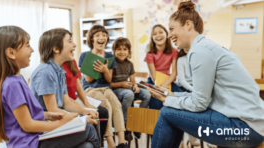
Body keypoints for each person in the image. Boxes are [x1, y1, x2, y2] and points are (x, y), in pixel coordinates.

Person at [148, 1, 264, 147]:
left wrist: (166, 100)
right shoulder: (206, 47)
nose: (169, 35)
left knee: (166, 112)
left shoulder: (200, 51)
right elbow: (202, 96)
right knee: (172, 109)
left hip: (243, 130)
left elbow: (199, 104)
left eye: (171, 29)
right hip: (252, 126)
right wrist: (171, 95)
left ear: (188, 25)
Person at [0, 26, 99, 148]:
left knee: (87, 145)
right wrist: (64, 122)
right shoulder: (13, 84)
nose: (32, 50)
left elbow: (25, 115)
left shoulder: (17, 79)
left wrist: (48, 115)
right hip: (30, 143)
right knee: (89, 129)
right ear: (11, 53)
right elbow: (28, 125)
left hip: (33, 138)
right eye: (27, 45)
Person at [78, 25, 127, 148]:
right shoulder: (84, 55)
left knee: (116, 104)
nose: (102, 37)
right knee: (106, 105)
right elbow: (88, 79)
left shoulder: (110, 56)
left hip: (106, 88)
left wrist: (105, 70)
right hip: (90, 89)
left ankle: (122, 142)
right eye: (98, 35)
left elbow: (109, 80)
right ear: (92, 39)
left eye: (104, 35)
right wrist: (99, 65)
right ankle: (110, 142)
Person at [110, 37, 151, 140]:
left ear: (128, 51)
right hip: (116, 89)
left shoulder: (129, 64)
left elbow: (133, 80)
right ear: (114, 51)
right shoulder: (111, 62)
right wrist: (121, 84)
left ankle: (136, 122)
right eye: (119, 49)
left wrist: (135, 85)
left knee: (147, 94)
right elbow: (109, 84)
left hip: (127, 88)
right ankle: (124, 126)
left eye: (125, 49)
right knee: (129, 95)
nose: (122, 52)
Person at [62, 59, 109, 144]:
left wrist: (87, 104)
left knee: (103, 112)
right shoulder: (57, 66)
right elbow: (65, 101)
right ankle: (94, 142)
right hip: (67, 102)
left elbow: (78, 86)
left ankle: (99, 143)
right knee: (93, 116)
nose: (73, 45)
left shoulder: (72, 62)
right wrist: (85, 109)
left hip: (75, 99)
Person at [144, 24, 183, 110]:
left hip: (167, 80)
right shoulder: (150, 53)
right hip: (153, 81)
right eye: (154, 34)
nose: (158, 35)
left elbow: (174, 72)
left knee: (180, 96)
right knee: (156, 100)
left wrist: (166, 83)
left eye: (161, 32)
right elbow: (153, 76)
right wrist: (160, 87)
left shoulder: (174, 51)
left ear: (167, 34)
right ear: (152, 38)